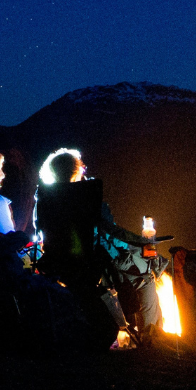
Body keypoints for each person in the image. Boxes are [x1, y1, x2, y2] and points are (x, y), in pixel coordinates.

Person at [34, 149, 165, 348]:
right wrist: (139, 242)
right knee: (146, 277)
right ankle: (152, 338)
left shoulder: (44, 198)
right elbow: (111, 233)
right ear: (78, 172)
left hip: (56, 264)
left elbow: (40, 232)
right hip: (90, 265)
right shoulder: (88, 197)